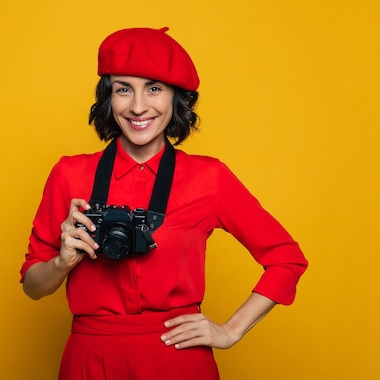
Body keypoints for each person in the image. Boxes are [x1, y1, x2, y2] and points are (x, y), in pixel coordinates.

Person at [20, 27, 308, 380]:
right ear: (108, 98)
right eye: (123, 89)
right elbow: (33, 286)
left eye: (154, 88)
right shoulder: (70, 174)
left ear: (176, 97)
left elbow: (286, 258)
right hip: (88, 358)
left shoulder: (209, 178)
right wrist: (61, 263)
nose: (138, 106)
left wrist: (230, 330)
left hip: (176, 359)